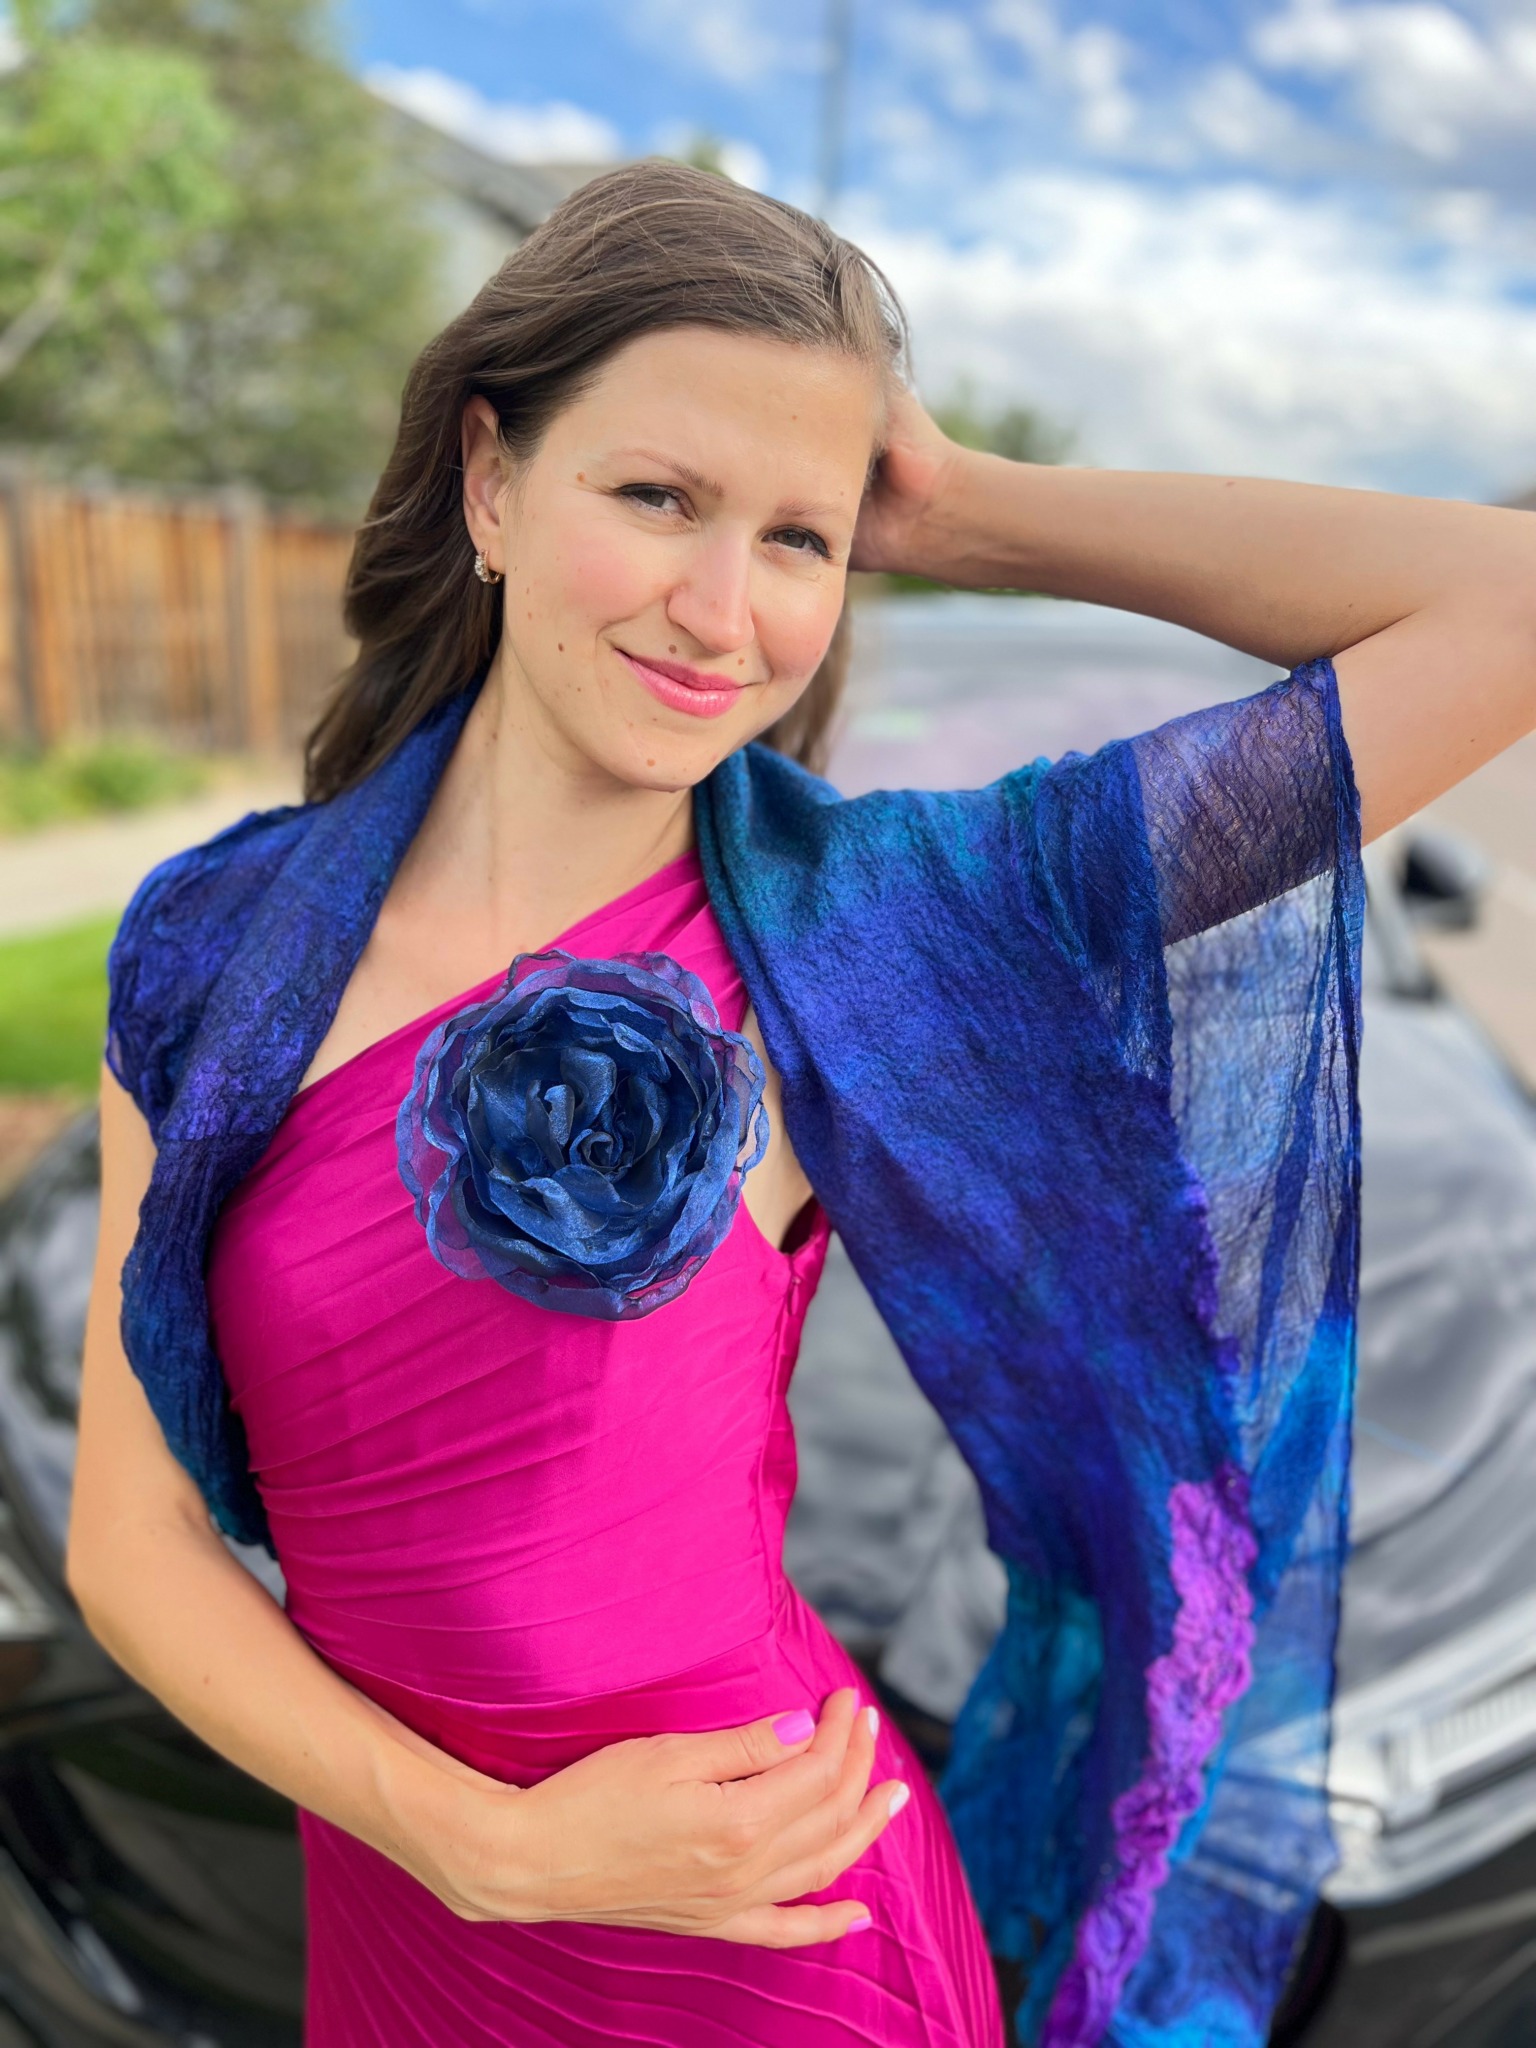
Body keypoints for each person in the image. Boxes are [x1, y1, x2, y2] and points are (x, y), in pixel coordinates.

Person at [66, 159, 1535, 2048]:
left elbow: (1504, 606)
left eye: (798, 543)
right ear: (492, 480)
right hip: (411, 1924)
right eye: (658, 497)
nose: (720, 612)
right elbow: (133, 1543)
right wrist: (475, 1846)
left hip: (775, 1950)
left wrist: (967, 507)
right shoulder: (209, 950)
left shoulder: (889, 931)